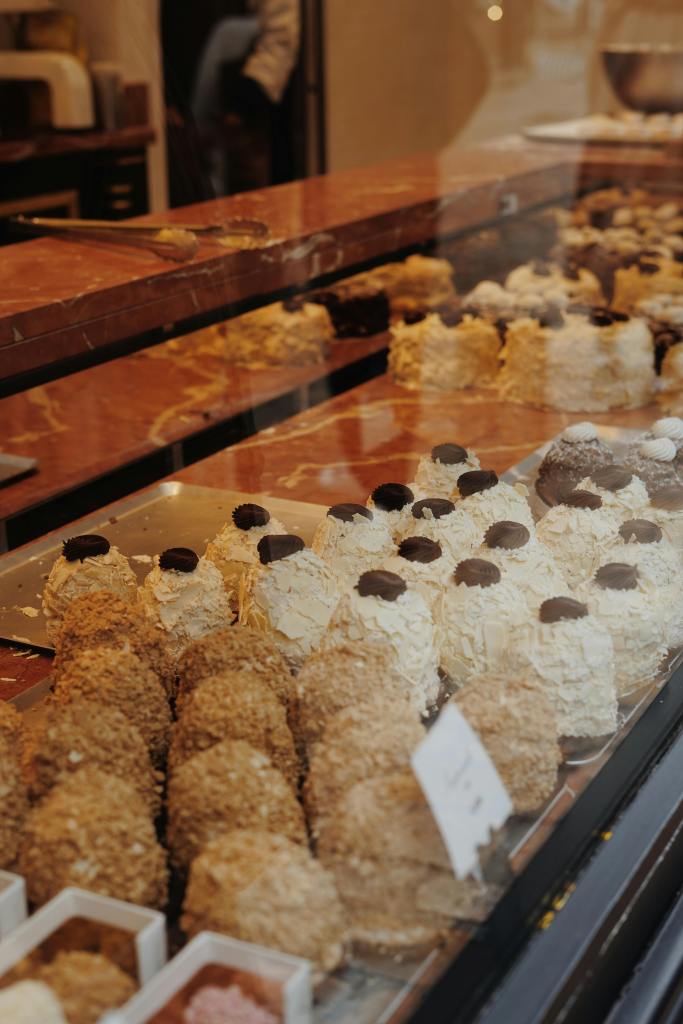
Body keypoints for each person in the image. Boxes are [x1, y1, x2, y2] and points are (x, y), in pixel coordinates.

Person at [162, 0, 300, 202]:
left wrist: (247, 97)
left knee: (244, 199)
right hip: (179, 103)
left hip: (240, 100)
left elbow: (281, 33)